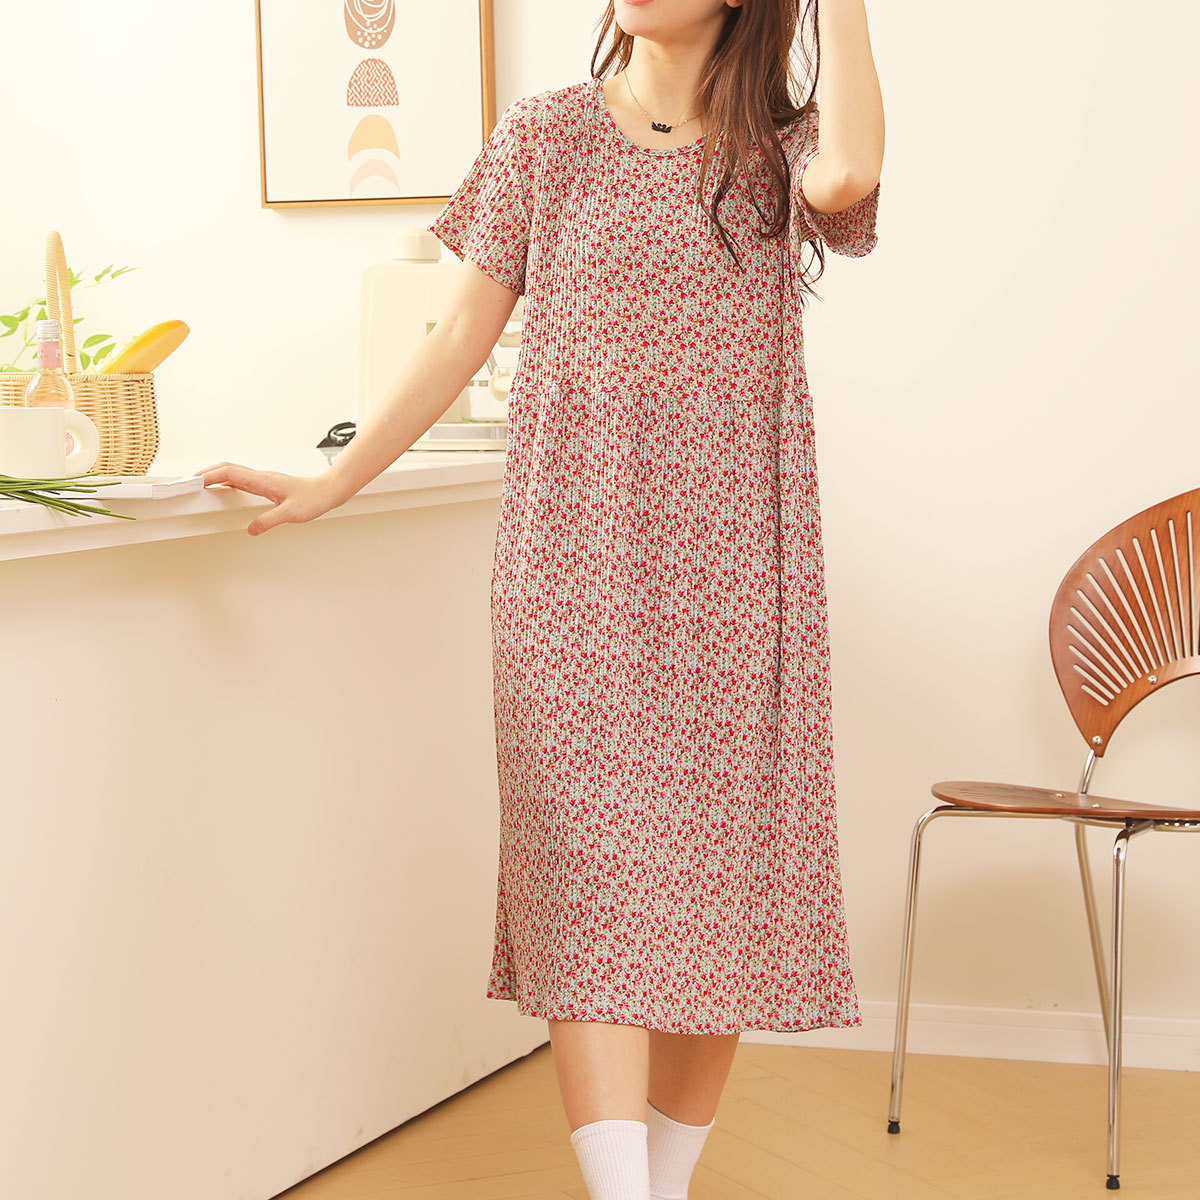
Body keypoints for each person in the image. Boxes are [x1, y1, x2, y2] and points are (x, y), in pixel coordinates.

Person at [199, 2, 883, 1196]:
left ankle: (662, 1184)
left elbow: (855, 174)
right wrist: (336, 478)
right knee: (586, 886)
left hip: (739, 578)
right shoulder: (545, 137)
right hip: (572, 572)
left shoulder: (782, 152)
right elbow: (455, 335)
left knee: (719, 893)